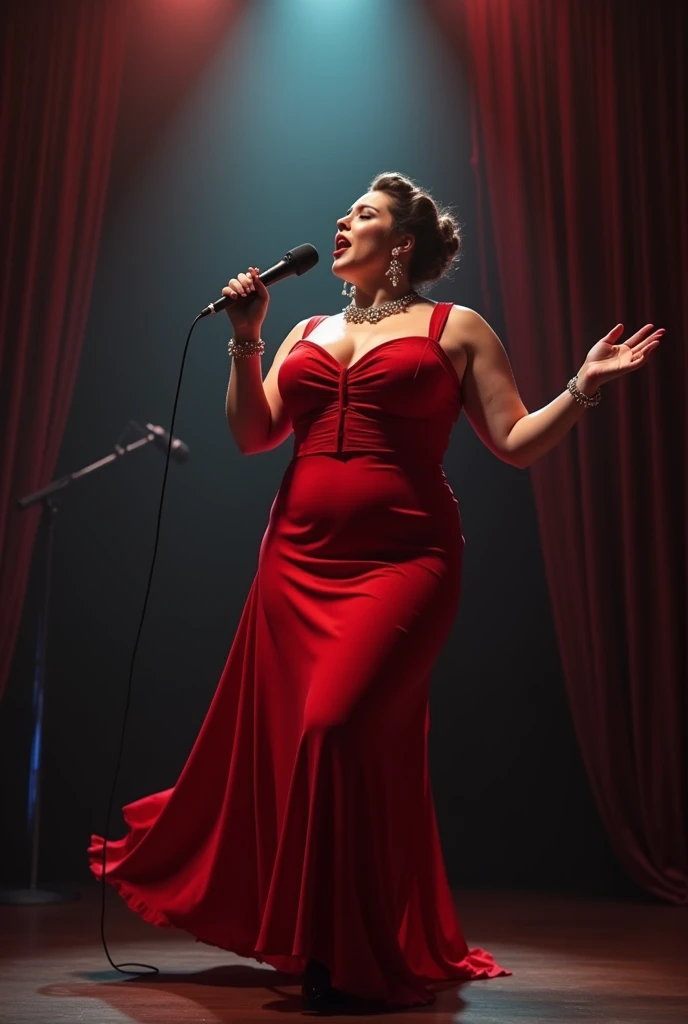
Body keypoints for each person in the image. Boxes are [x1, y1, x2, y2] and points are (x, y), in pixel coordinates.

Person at [89, 172, 663, 1013]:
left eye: (361, 214)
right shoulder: (307, 328)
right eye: (347, 212)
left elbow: (511, 441)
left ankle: (350, 948)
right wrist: (248, 337)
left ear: (402, 244)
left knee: (337, 727)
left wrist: (582, 385)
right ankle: (326, 946)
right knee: (304, 748)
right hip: (296, 562)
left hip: (405, 562)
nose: (340, 222)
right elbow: (253, 435)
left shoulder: (454, 328)